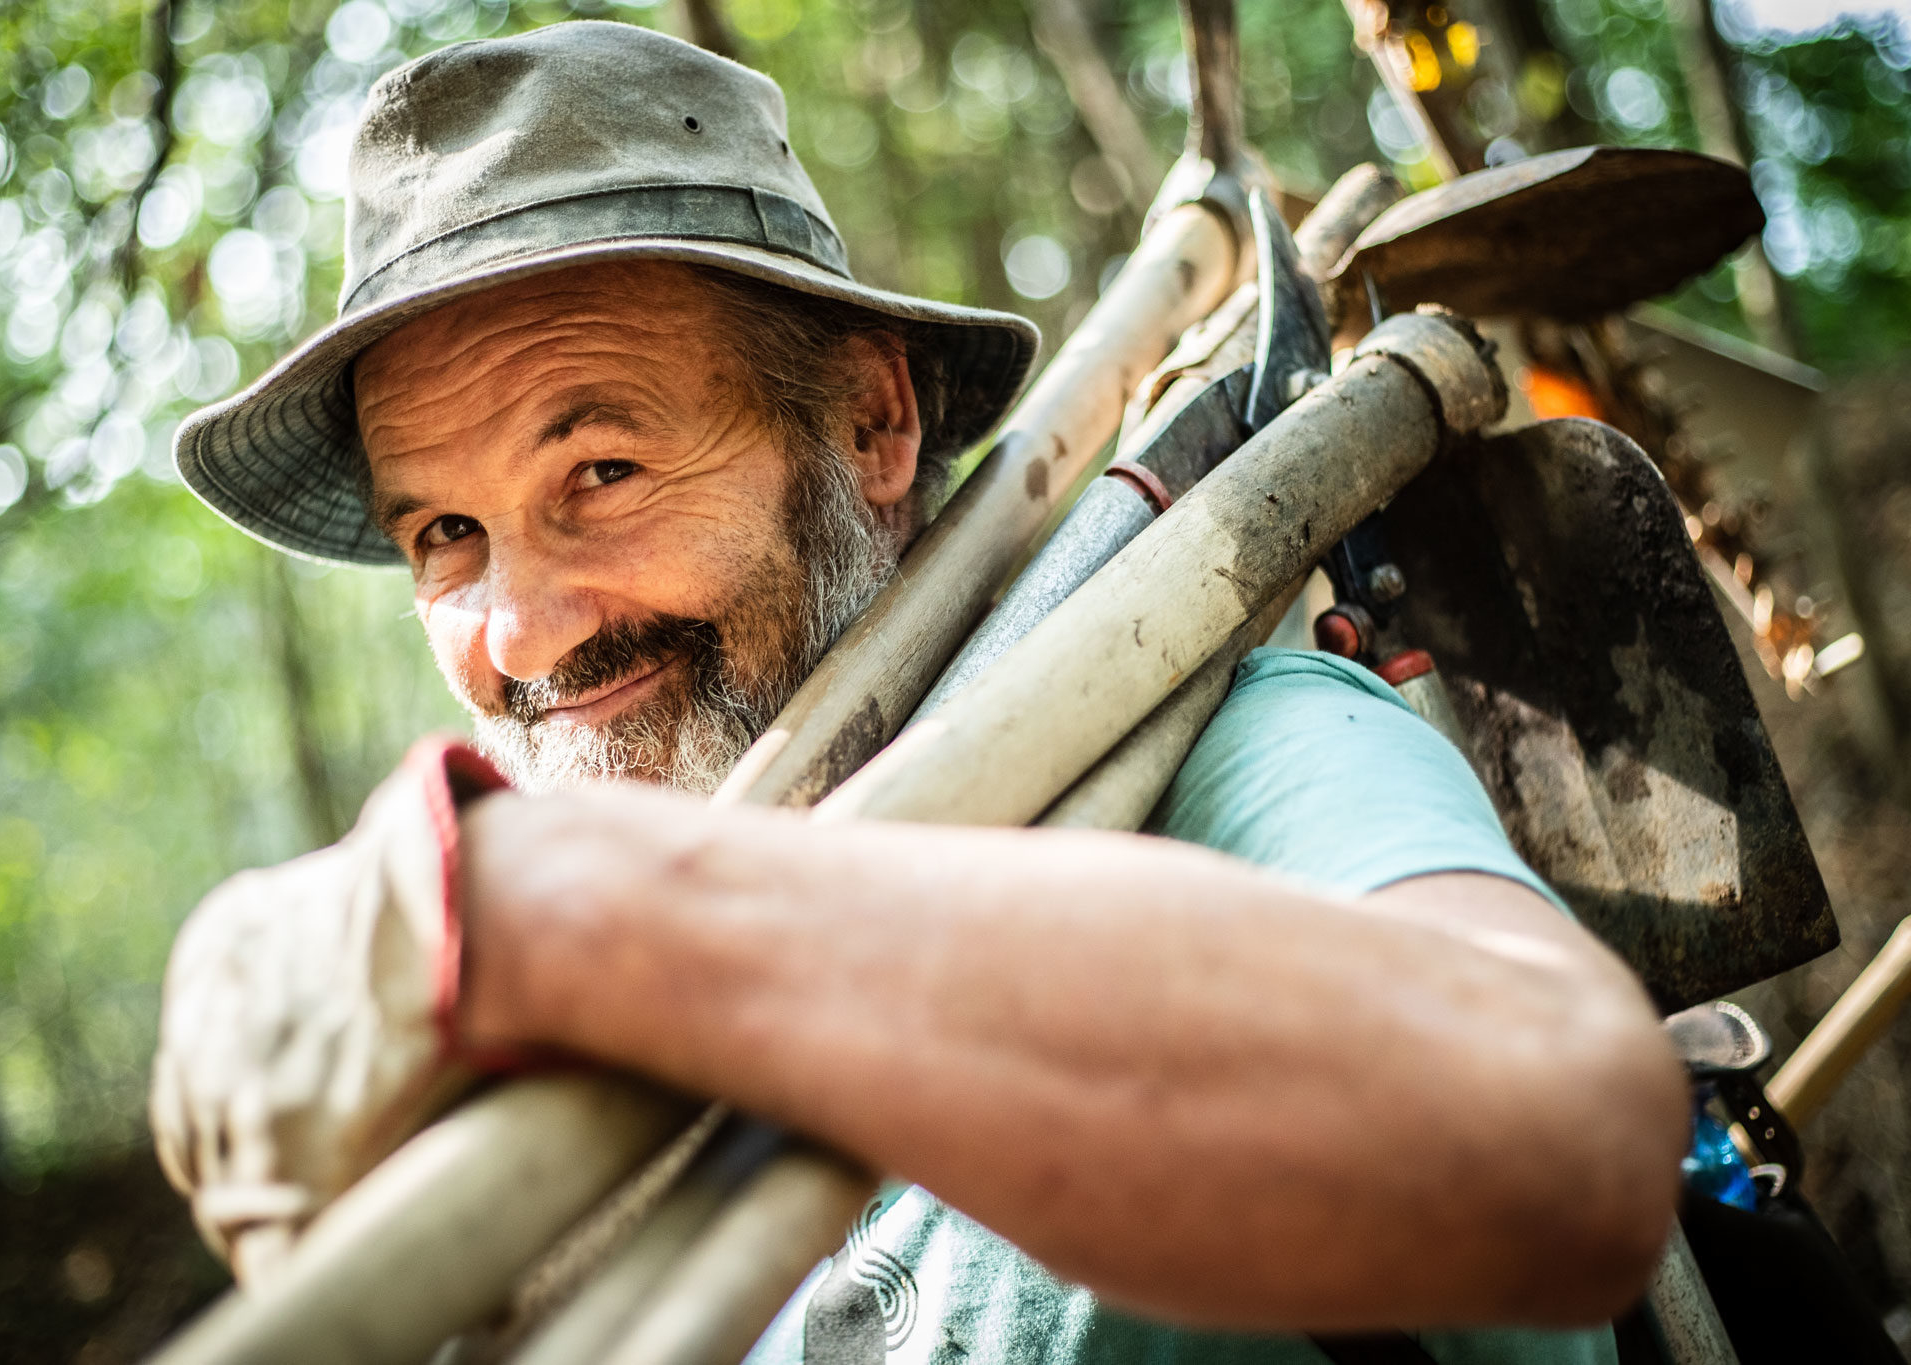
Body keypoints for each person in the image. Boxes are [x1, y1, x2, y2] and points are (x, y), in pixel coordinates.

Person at [150, 20, 1687, 1365]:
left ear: (874, 424)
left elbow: (1568, 1147)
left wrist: (564, 903)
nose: (523, 631)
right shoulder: (572, 1044)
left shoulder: (1223, 753)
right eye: (446, 535)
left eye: (600, 469)